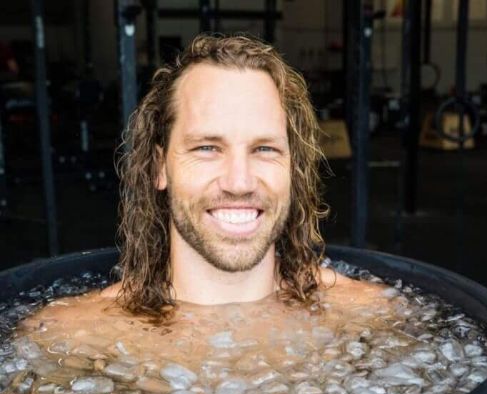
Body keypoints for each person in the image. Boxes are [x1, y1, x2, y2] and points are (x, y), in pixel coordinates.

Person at [20, 34, 392, 363]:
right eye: (207, 148)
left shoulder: (365, 312)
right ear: (159, 166)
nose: (239, 181)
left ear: (292, 168)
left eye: (264, 148)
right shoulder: (70, 337)